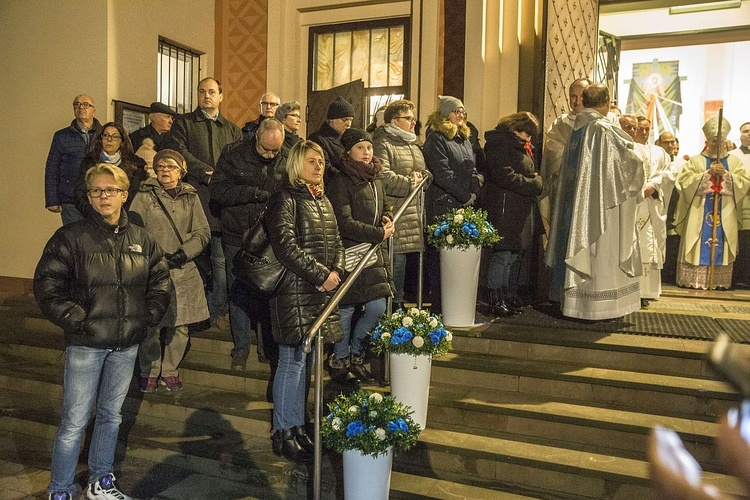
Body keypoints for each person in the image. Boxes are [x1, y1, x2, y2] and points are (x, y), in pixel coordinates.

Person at [34, 163, 171, 500]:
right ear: (90, 197)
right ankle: (61, 489)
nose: (103, 196)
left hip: (126, 345)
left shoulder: (142, 239)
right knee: (74, 422)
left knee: (111, 416)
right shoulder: (72, 237)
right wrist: (75, 318)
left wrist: (145, 317)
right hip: (87, 345)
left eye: (111, 190)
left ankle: (101, 482)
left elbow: (160, 283)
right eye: (97, 190)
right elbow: (47, 285)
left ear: (124, 195)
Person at [264, 140, 345, 463]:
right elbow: (285, 246)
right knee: (292, 362)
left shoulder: (322, 199)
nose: (319, 166)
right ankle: (284, 432)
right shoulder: (284, 199)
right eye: (312, 161)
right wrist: (320, 275)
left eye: (322, 161)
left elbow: (337, 239)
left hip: (320, 291)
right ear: (297, 164)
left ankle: (298, 427)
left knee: (307, 363)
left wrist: (336, 270)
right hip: (294, 291)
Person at [545, 83, 645, 320]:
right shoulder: (603, 130)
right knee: (601, 254)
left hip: (577, 205)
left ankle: (576, 305)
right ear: (607, 102)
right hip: (601, 206)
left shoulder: (576, 129)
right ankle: (600, 309)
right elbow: (632, 164)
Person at [327, 128, 410, 383]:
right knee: (347, 307)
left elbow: (383, 206)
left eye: (369, 147)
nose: (366, 153)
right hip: (351, 252)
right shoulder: (340, 181)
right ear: (349, 151)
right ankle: (340, 359)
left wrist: (386, 216)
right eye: (360, 148)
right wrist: (378, 233)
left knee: (377, 307)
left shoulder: (376, 178)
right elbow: (343, 221)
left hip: (374, 253)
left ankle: (356, 352)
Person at [164, 77, 243, 331]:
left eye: (212, 92)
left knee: (220, 263)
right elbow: (178, 152)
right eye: (202, 91)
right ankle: (191, 312)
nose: (206, 96)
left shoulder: (232, 129)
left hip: (221, 204)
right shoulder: (184, 124)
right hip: (192, 199)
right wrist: (204, 172)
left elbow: (239, 160)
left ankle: (217, 311)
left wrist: (222, 178)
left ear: (221, 96)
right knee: (192, 260)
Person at [129, 149, 210, 393]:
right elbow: (134, 228)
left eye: (171, 166)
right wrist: (154, 254)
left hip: (183, 268)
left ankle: (170, 370)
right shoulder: (144, 195)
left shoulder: (190, 196)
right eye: (161, 166)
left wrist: (184, 253)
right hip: (153, 268)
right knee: (152, 324)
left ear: (181, 171)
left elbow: (202, 231)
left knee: (181, 325)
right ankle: (149, 370)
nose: (166, 170)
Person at [210, 118, 286, 370]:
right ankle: (241, 349)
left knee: (266, 292)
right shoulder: (233, 154)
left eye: (275, 150)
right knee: (239, 293)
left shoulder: (285, 158)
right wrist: (252, 193)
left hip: (269, 237)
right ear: (256, 138)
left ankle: (267, 348)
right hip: (237, 234)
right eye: (266, 149)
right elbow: (218, 191)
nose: (270, 155)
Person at [673, 117, 750, 290]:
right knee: (698, 240)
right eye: (714, 142)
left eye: (721, 142)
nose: (718, 145)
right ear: (707, 142)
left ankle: (718, 282)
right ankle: (696, 280)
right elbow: (684, 183)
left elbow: (744, 183)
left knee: (722, 242)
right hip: (699, 212)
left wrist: (727, 176)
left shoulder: (734, 162)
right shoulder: (695, 161)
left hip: (725, 212)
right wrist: (707, 174)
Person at [481, 112, 543, 317]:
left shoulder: (520, 145)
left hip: (519, 208)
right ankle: (495, 298)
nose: (529, 139)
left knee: (513, 254)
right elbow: (505, 176)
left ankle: (508, 293)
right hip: (505, 208)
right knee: (503, 254)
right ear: (515, 129)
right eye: (527, 134)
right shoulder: (499, 144)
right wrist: (534, 183)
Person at [423, 95, 480, 312]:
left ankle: (458, 304)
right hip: (443, 204)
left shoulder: (463, 139)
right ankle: (439, 305)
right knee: (441, 259)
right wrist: (465, 195)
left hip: (464, 203)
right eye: (457, 111)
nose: (461, 115)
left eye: (463, 112)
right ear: (446, 113)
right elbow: (442, 173)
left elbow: (471, 168)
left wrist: (476, 187)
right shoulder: (436, 139)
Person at [372, 99, 430, 311]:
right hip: (395, 211)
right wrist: (409, 182)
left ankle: (401, 304)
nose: (413, 122)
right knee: (396, 262)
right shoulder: (383, 143)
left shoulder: (413, 144)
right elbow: (382, 176)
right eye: (408, 118)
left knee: (406, 264)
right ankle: (393, 307)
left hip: (413, 212)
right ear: (394, 121)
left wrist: (424, 178)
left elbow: (424, 172)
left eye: (414, 118)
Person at [621, 115, 672, 306]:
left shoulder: (660, 152)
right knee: (634, 245)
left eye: (646, 129)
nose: (642, 132)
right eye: (639, 128)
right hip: (634, 204)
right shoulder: (627, 147)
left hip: (651, 204)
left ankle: (647, 290)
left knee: (650, 244)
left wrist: (654, 185)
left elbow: (669, 173)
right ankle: (632, 289)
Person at [539, 78, 591, 228]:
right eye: (573, 96)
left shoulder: (599, 124)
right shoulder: (561, 124)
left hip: (591, 190)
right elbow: (553, 156)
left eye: (582, 96)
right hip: (566, 188)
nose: (577, 101)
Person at [45, 94, 103, 225]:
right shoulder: (61, 136)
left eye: (86, 104)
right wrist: (52, 200)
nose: (81, 107)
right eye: (77, 104)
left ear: (94, 110)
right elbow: (52, 168)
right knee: (74, 239)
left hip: (99, 197)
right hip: (70, 199)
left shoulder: (104, 134)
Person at [73, 122, 148, 218]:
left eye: (115, 136)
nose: (109, 139)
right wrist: (94, 213)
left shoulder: (136, 164)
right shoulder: (89, 161)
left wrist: (119, 214)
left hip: (126, 217)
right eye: (106, 135)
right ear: (100, 139)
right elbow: (80, 193)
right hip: (94, 216)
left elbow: (136, 195)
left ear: (122, 141)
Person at [308, 96, 355, 182]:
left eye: (351, 120)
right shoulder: (318, 139)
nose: (349, 124)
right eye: (345, 120)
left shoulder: (348, 138)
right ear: (332, 120)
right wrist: (348, 179)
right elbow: (325, 167)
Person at [730, 122, 750, 288]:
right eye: (746, 131)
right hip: (738, 203)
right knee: (740, 241)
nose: (749, 134)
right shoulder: (732, 155)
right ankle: (738, 277)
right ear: (740, 134)